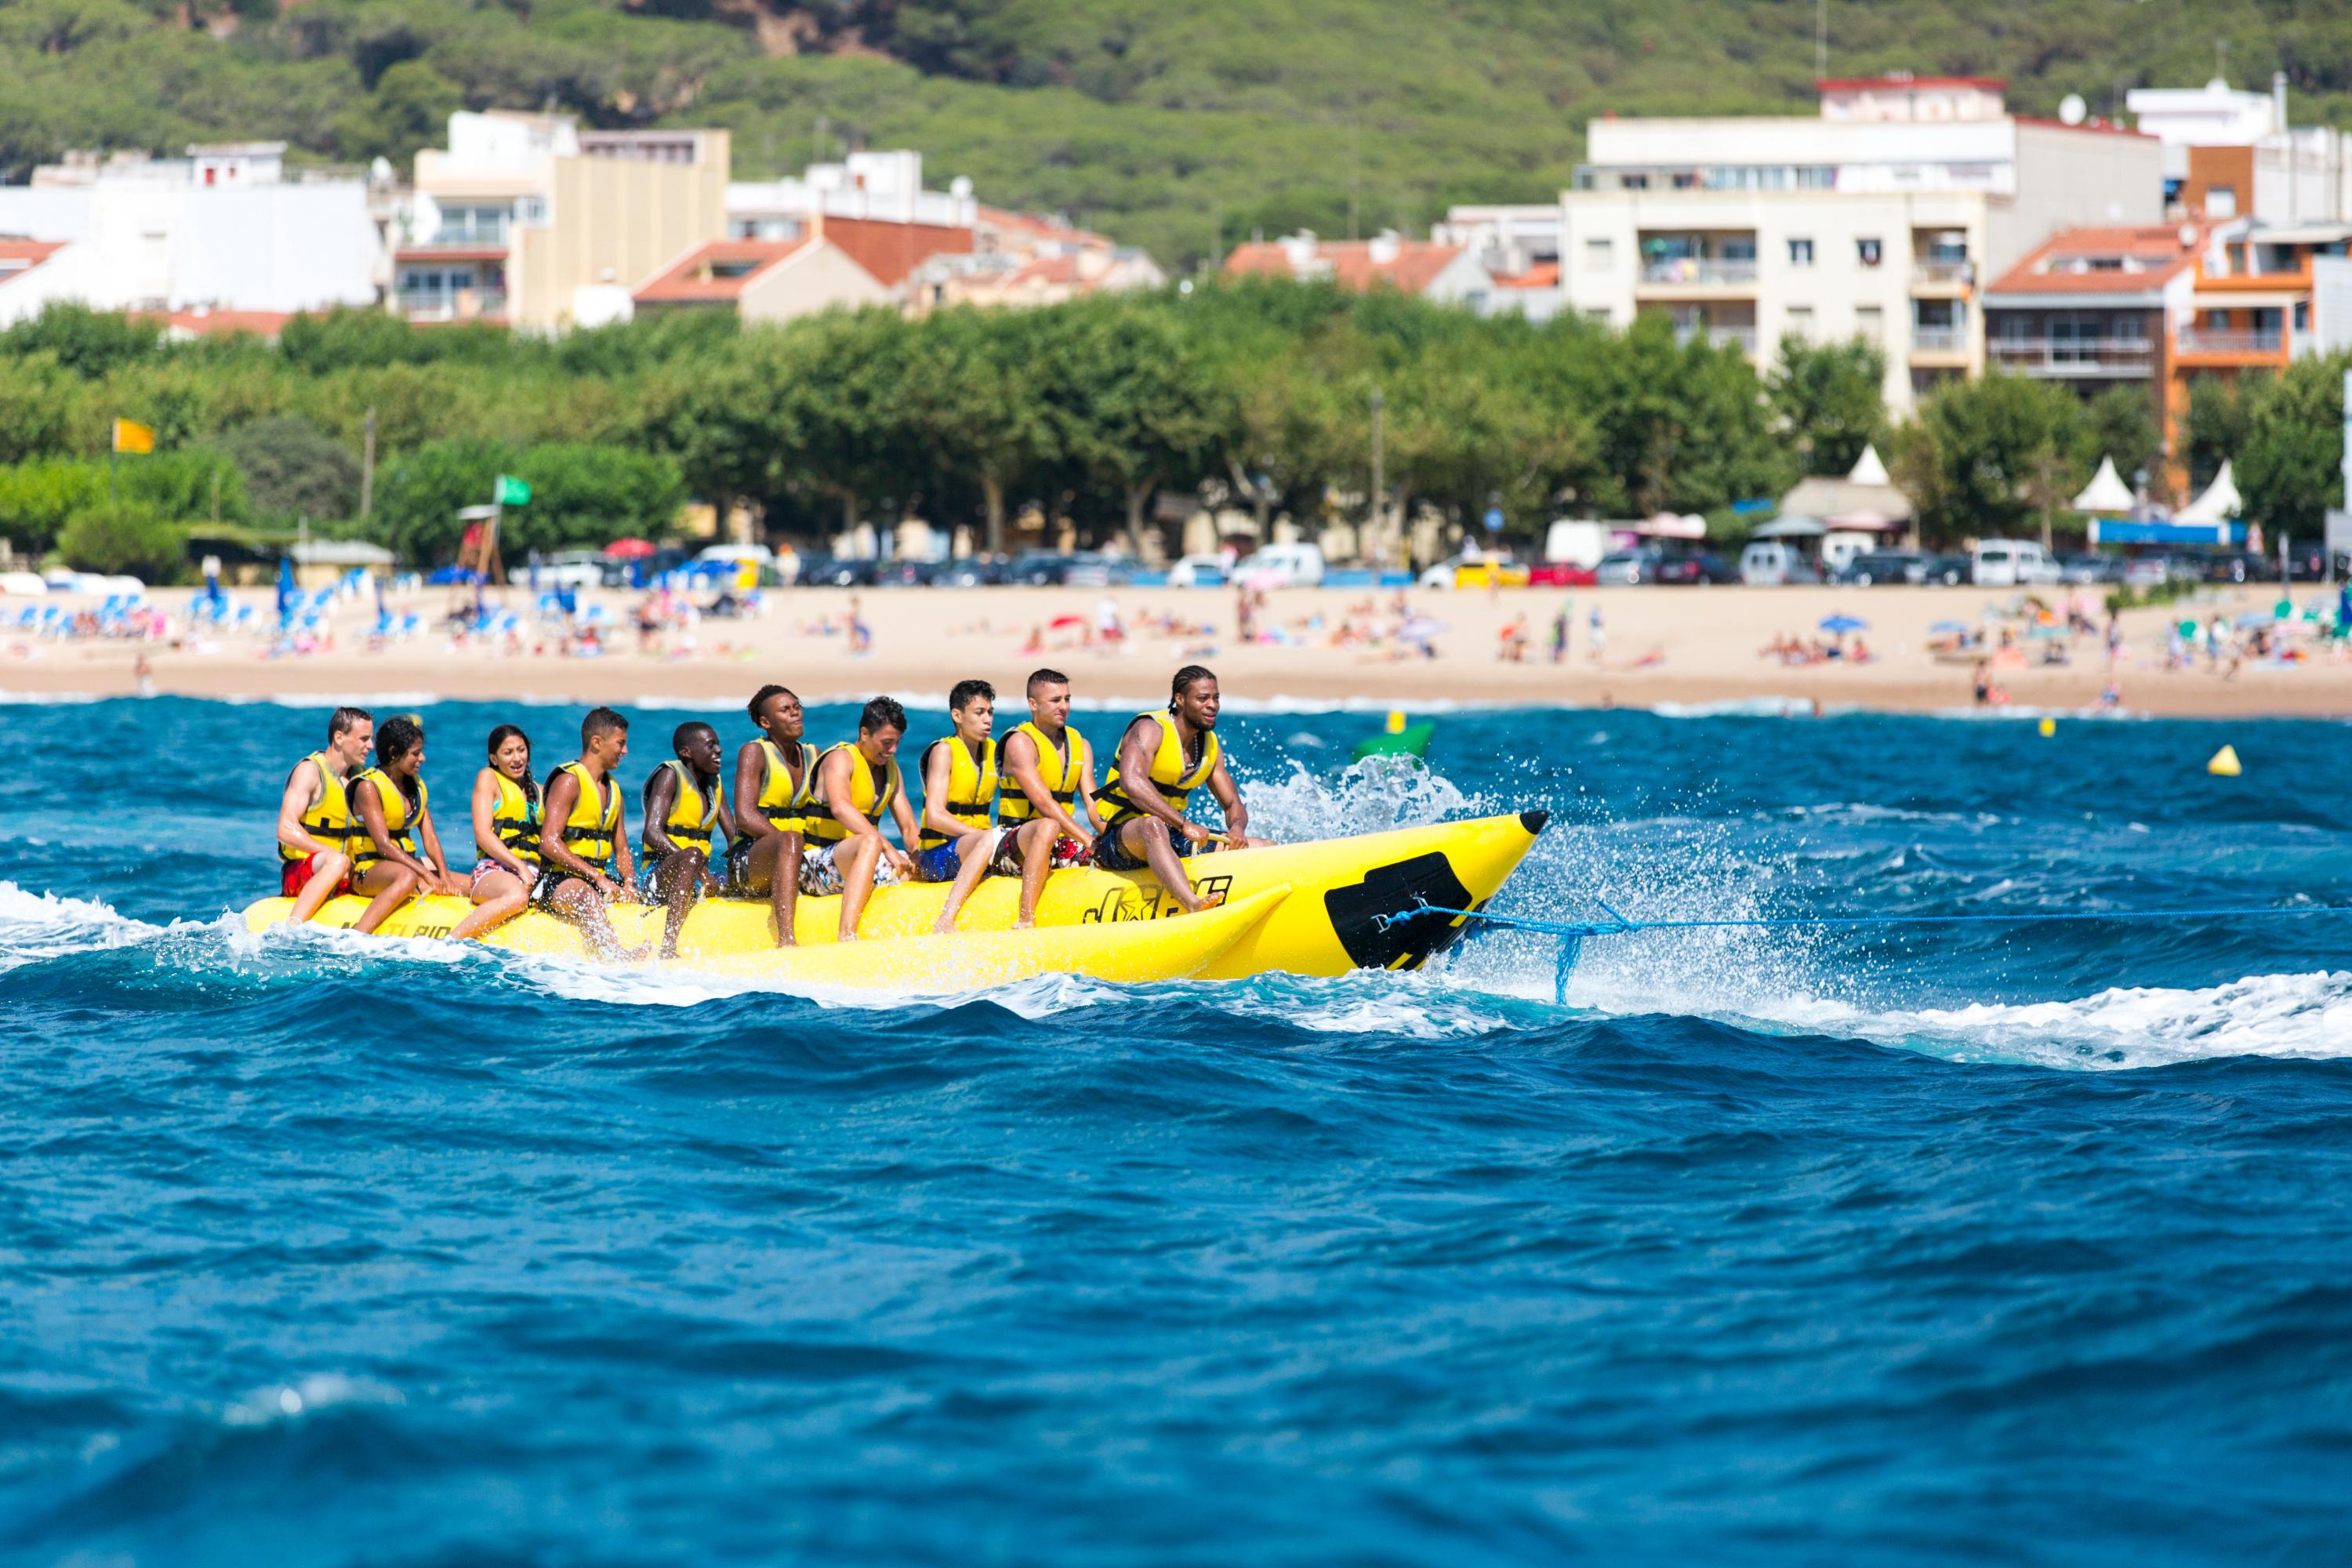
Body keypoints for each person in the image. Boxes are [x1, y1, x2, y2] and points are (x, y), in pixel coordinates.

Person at [1091, 666, 1267, 913]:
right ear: (1180, 699)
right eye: (1203, 698)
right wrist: (1184, 824)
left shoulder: (1210, 746)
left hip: (1171, 836)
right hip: (1121, 838)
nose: (1213, 705)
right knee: (1152, 825)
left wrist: (1237, 828)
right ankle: (1193, 904)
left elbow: (1232, 803)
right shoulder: (1151, 729)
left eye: (1216, 698)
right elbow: (1131, 782)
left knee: (1263, 846)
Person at [804, 696, 920, 940]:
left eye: (898, 742)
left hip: (861, 862)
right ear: (865, 733)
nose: (893, 750)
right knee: (870, 841)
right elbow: (840, 808)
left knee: (917, 866)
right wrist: (888, 849)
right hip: (815, 864)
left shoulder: (891, 768)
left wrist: (920, 856)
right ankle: (846, 934)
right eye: (887, 742)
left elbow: (909, 827)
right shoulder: (840, 759)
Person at [537, 706, 644, 959]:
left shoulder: (614, 790)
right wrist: (597, 878)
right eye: (621, 744)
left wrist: (629, 883)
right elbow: (549, 843)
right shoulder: (569, 781)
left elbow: (622, 848)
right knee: (586, 896)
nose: (625, 751)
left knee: (641, 898)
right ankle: (617, 955)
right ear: (597, 742)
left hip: (599, 880)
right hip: (559, 882)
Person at [997, 667, 1099, 927]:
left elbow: (1093, 805)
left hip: (1062, 841)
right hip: (1016, 841)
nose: (1064, 706)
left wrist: (1110, 836)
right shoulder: (1020, 742)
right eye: (1055, 700)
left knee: (1114, 850)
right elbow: (1043, 803)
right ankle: (1026, 917)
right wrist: (1087, 839)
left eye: (1067, 699)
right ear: (1033, 704)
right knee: (1048, 825)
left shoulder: (1081, 744)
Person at [347, 714, 460, 930]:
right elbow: (383, 845)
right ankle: (360, 933)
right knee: (407, 877)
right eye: (416, 753)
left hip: (407, 867)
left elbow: (430, 837)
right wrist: (427, 875)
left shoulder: (415, 788)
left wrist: (445, 877)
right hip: (369, 871)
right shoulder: (368, 787)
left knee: (470, 883)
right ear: (393, 753)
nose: (423, 758)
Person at [728, 684, 818, 948]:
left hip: (799, 855)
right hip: (751, 860)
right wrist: (787, 845)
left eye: (796, 707)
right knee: (789, 841)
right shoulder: (754, 752)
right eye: (785, 710)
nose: (795, 713)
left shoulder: (814, 754)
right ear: (765, 722)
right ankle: (787, 940)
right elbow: (744, 816)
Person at [640, 721, 734, 959]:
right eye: (711, 745)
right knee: (692, 855)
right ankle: (669, 946)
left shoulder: (715, 784)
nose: (719, 750)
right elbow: (651, 832)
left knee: (737, 873)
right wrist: (701, 870)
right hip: (660, 876)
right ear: (686, 752)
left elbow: (734, 837)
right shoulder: (669, 775)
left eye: (719, 745)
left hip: (696, 876)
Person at [274, 706, 373, 927]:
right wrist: (331, 854)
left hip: (345, 871)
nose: (371, 746)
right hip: (303, 871)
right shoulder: (310, 771)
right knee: (337, 861)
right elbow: (285, 828)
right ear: (339, 737)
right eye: (364, 739)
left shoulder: (360, 779)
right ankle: (291, 928)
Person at [448, 723, 540, 942]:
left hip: (534, 872)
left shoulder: (538, 791)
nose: (517, 759)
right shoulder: (489, 779)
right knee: (517, 896)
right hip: (495, 870)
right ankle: (451, 942)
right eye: (508, 753)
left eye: (521, 750)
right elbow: (482, 834)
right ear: (494, 759)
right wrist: (519, 867)